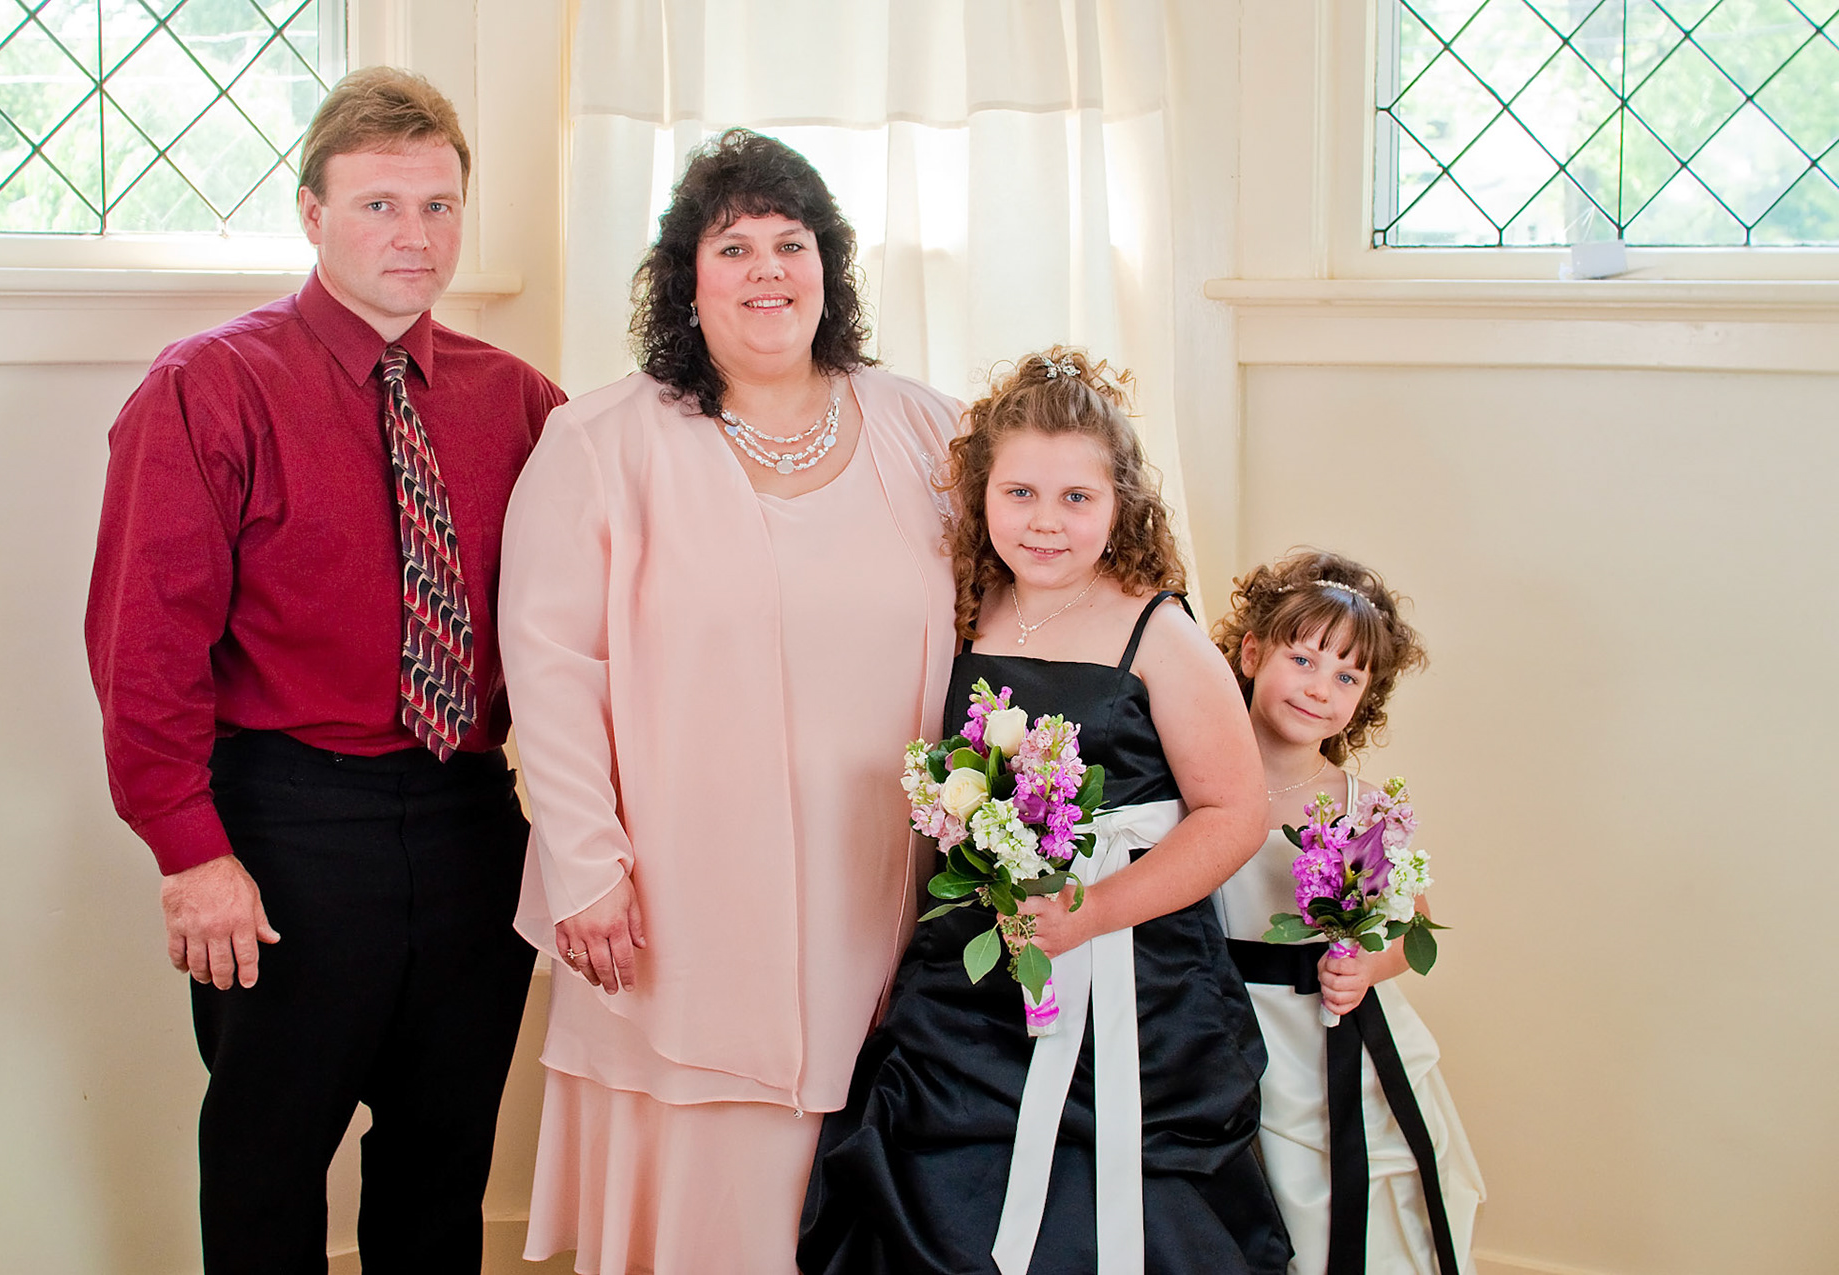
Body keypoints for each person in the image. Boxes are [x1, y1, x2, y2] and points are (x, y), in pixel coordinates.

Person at [84, 67, 564, 1274]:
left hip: (471, 823)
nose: (416, 236)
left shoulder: (520, 403)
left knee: (442, 1169)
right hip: (287, 828)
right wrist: (191, 853)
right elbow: (144, 644)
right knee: (267, 1164)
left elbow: (596, 603)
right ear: (312, 213)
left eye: (439, 207)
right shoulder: (209, 387)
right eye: (379, 205)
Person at [496, 128, 963, 1274]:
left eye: (791, 244)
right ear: (687, 281)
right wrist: (588, 866)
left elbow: (1023, 613)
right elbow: (549, 666)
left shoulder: (931, 430)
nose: (768, 271)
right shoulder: (600, 442)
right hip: (678, 892)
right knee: (717, 1195)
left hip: (881, 880)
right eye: (734, 246)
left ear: (829, 266)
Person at [799, 348, 1291, 1274]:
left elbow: (1234, 812)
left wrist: (1093, 911)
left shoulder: (1157, 630)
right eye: (1020, 492)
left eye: (1077, 498)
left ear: (1121, 504)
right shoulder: (962, 610)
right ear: (981, 492)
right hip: (971, 972)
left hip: (1129, 973)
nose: (1046, 522)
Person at [1210, 550, 1485, 1275]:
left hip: (1326, 1037)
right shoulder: (1196, 779)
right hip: (1220, 1023)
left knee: (1337, 1211)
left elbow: (1412, 924)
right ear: (1252, 653)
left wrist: (1366, 966)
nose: (1318, 688)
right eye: (1303, 659)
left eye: (1346, 677)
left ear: (1365, 697)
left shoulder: (1359, 806)